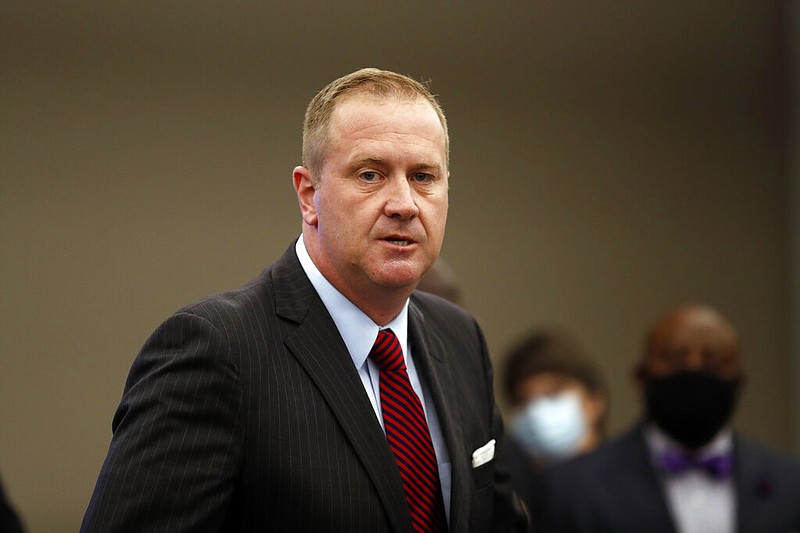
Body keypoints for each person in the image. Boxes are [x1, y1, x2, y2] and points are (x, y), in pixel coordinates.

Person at [81, 68, 527, 533]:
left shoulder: (460, 340)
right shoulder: (218, 349)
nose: (404, 203)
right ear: (309, 195)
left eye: (423, 176)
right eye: (370, 174)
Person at [529, 303, 800, 533]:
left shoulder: (791, 485)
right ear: (640, 378)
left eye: (713, 363)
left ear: (738, 382)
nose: (694, 371)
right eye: (674, 361)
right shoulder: (571, 490)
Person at [500, 329, 607, 514]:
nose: (537, 413)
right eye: (522, 401)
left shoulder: (635, 488)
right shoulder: (512, 507)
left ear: (594, 400)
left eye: (552, 394)